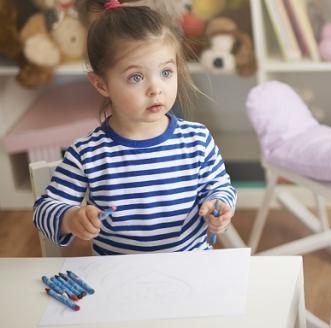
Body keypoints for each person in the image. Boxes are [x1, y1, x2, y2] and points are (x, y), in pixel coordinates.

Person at [33, 0, 236, 255]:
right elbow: (44, 210)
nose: (155, 88)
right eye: (136, 77)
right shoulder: (88, 154)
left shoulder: (197, 139)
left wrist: (219, 205)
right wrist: (71, 218)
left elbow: (220, 187)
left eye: (166, 72)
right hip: (118, 280)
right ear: (101, 84)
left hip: (189, 271)